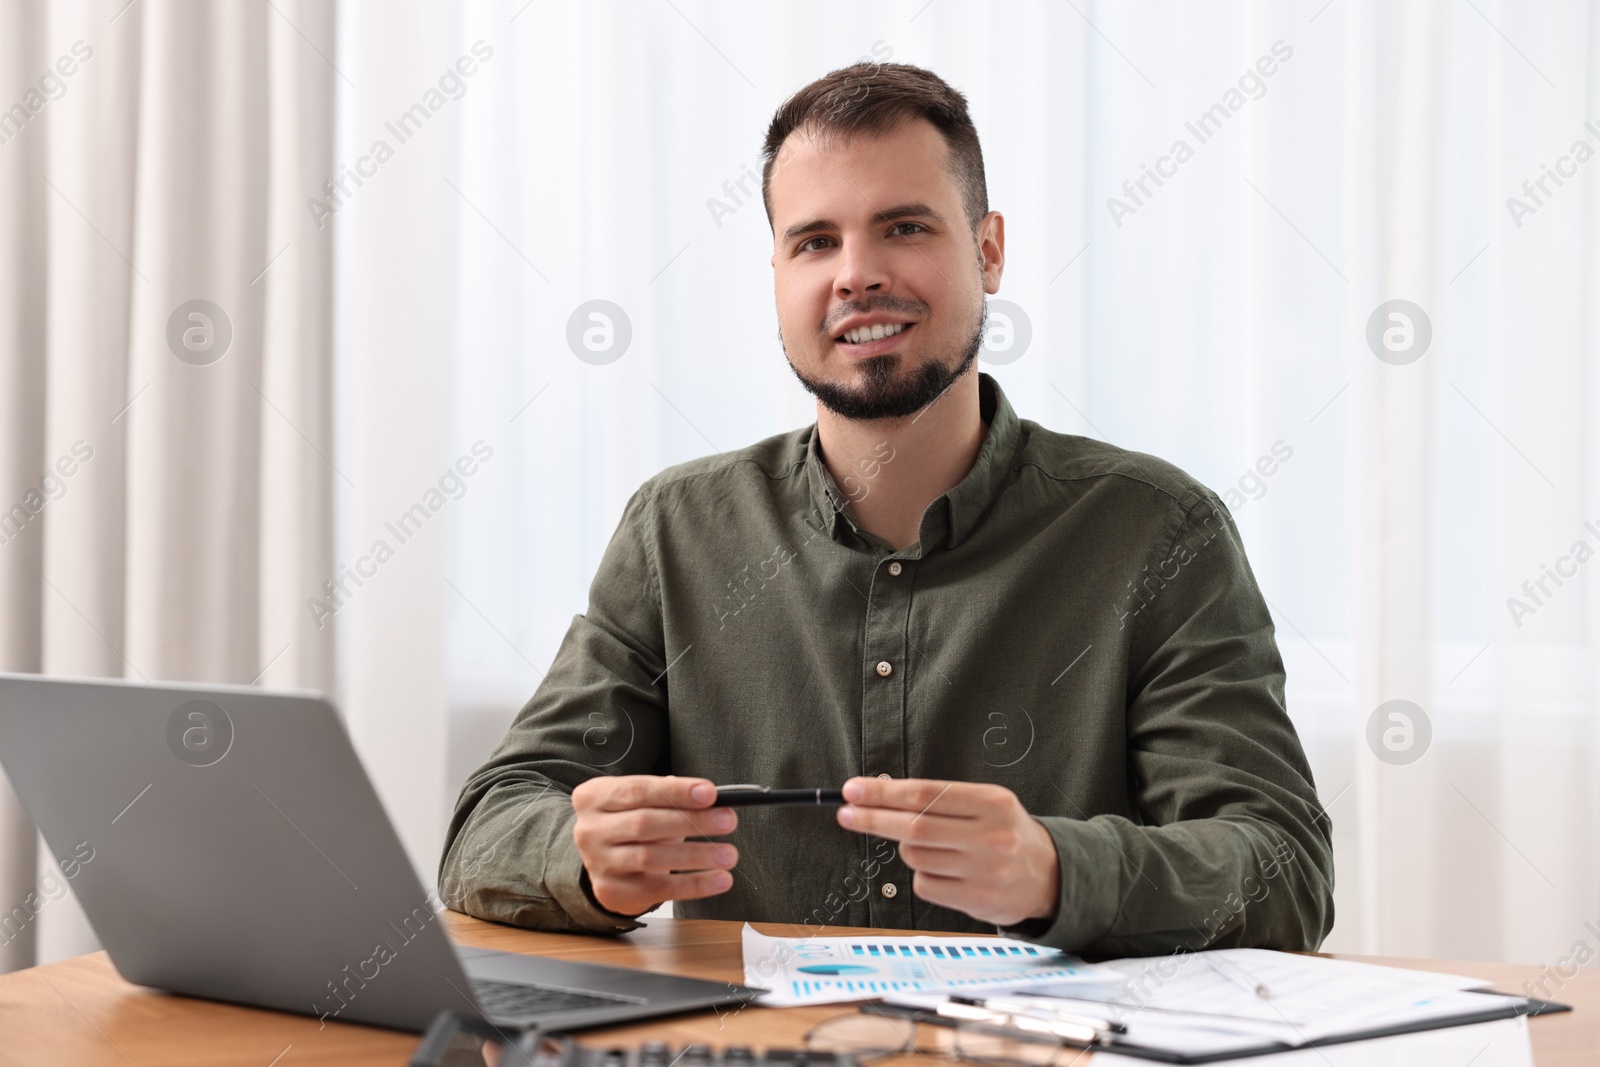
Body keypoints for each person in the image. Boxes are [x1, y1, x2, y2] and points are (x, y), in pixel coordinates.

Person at [439, 62, 1334, 954]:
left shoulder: (1159, 531)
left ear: (988, 251)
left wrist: (1056, 869)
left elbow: (1282, 869)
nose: (856, 275)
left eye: (903, 227)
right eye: (814, 242)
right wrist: (583, 859)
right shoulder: (674, 531)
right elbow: (489, 827)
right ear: (779, 274)